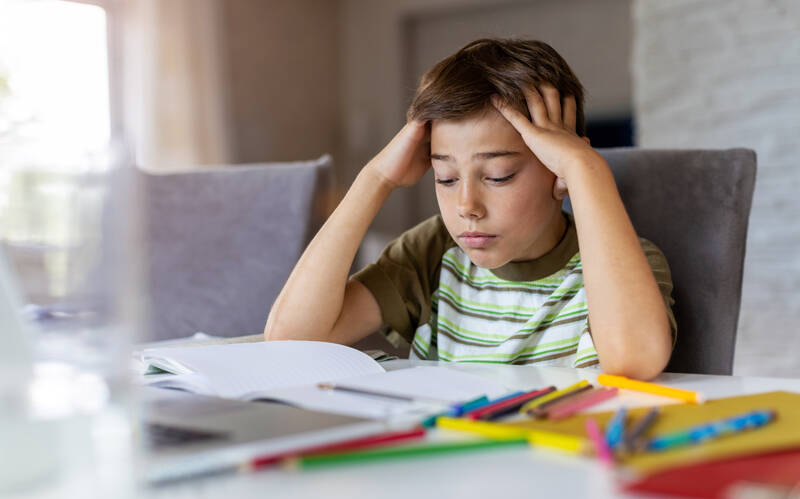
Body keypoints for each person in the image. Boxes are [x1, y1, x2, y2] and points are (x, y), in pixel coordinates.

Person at [264, 38, 675, 380]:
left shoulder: (621, 265)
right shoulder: (433, 252)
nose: (466, 207)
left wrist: (586, 170)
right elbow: (290, 341)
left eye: (497, 176)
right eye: (445, 178)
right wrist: (375, 179)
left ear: (559, 169)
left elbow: (633, 360)